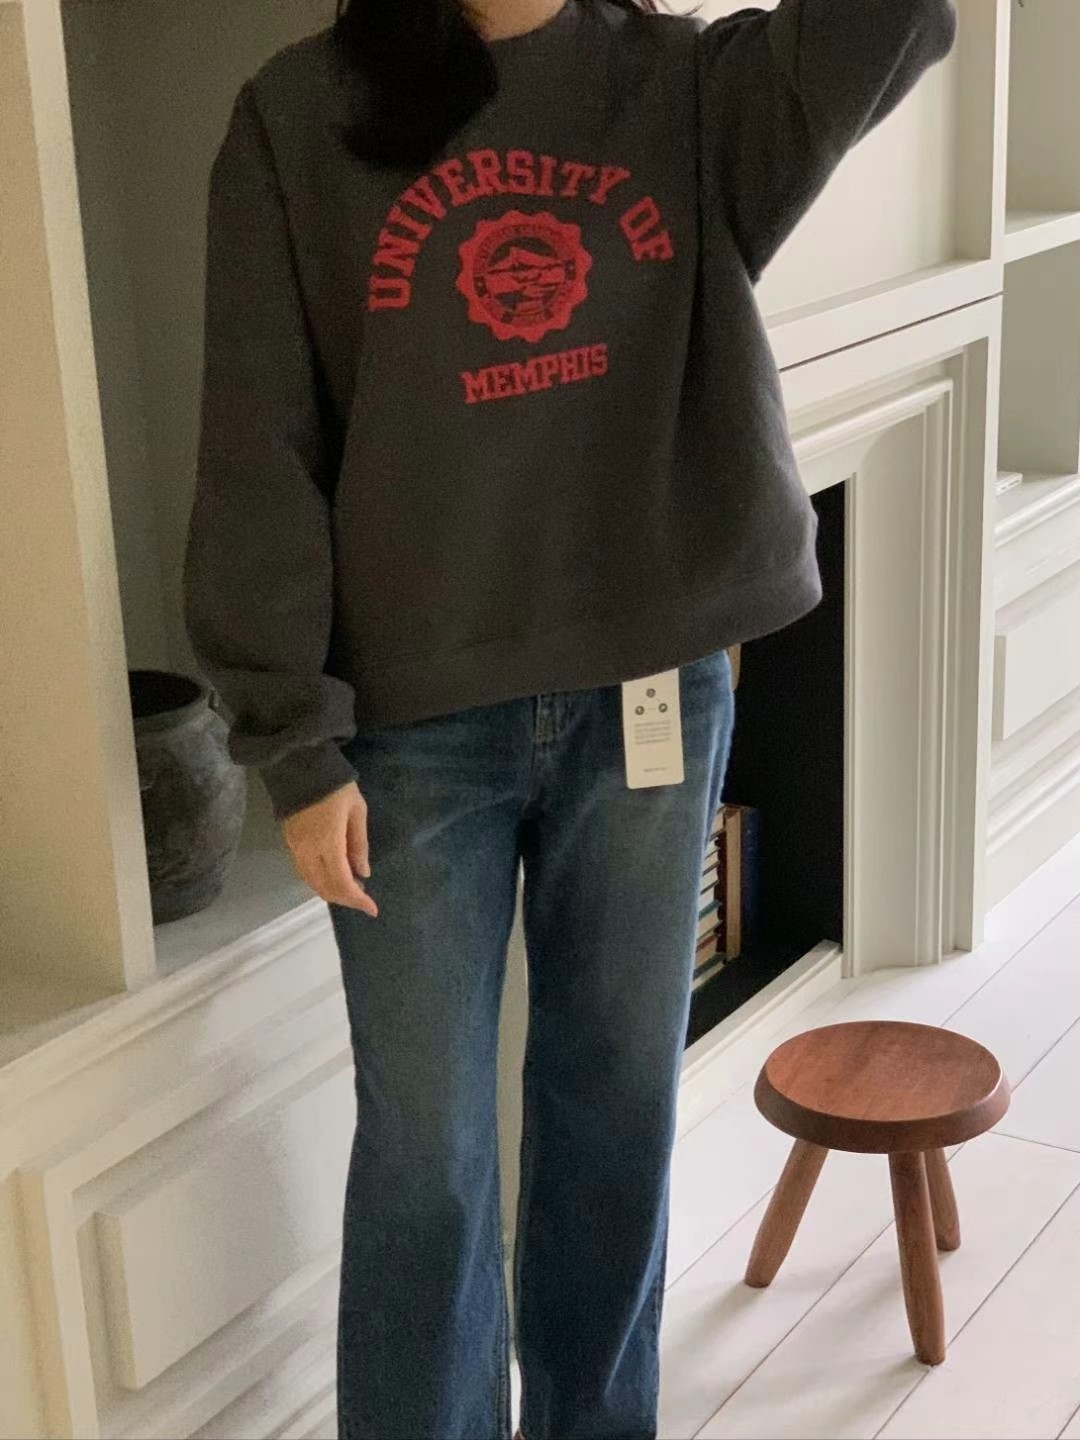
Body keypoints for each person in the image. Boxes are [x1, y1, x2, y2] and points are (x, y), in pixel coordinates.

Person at [182, 0, 957, 1435]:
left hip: (650, 692)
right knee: (427, 1154)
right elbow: (257, 442)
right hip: (410, 733)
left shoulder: (685, 85)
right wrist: (294, 739)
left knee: (616, 1117)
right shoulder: (299, 116)